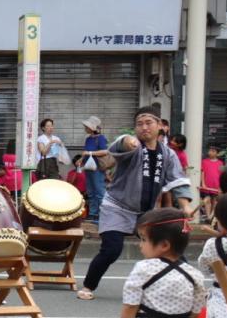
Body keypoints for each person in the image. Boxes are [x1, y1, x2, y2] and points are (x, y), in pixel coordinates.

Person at [77, 106, 193, 301]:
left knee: (168, 245)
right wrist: (127, 140)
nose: (144, 127)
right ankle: (89, 285)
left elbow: (177, 181)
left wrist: (186, 206)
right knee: (112, 249)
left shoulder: (168, 154)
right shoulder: (133, 146)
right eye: (139, 124)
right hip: (116, 207)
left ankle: (190, 285)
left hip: (146, 212)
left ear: (160, 126)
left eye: (149, 123)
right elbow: (119, 146)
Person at [78, 116, 108, 224]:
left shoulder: (101, 138)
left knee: (99, 191)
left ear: (92, 127)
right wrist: (81, 159)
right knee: (90, 191)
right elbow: (85, 151)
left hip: (98, 168)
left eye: (86, 126)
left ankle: (102, 214)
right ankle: (93, 214)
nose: (85, 127)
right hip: (88, 167)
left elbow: (105, 151)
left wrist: (90, 153)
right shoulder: (88, 139)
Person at [199, 144, 223, 220]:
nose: (210, 152)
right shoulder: (204, 161)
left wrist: (220, 186)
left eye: (213, 151)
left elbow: (221, 175)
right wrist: (203, 183)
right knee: (207, 200)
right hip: (206, 185)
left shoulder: (220, 163)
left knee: (214, 201)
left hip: (216, 185)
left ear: (217, 153)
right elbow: (202, 172)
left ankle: (211, 217)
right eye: (210, 151)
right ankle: (208, 216)